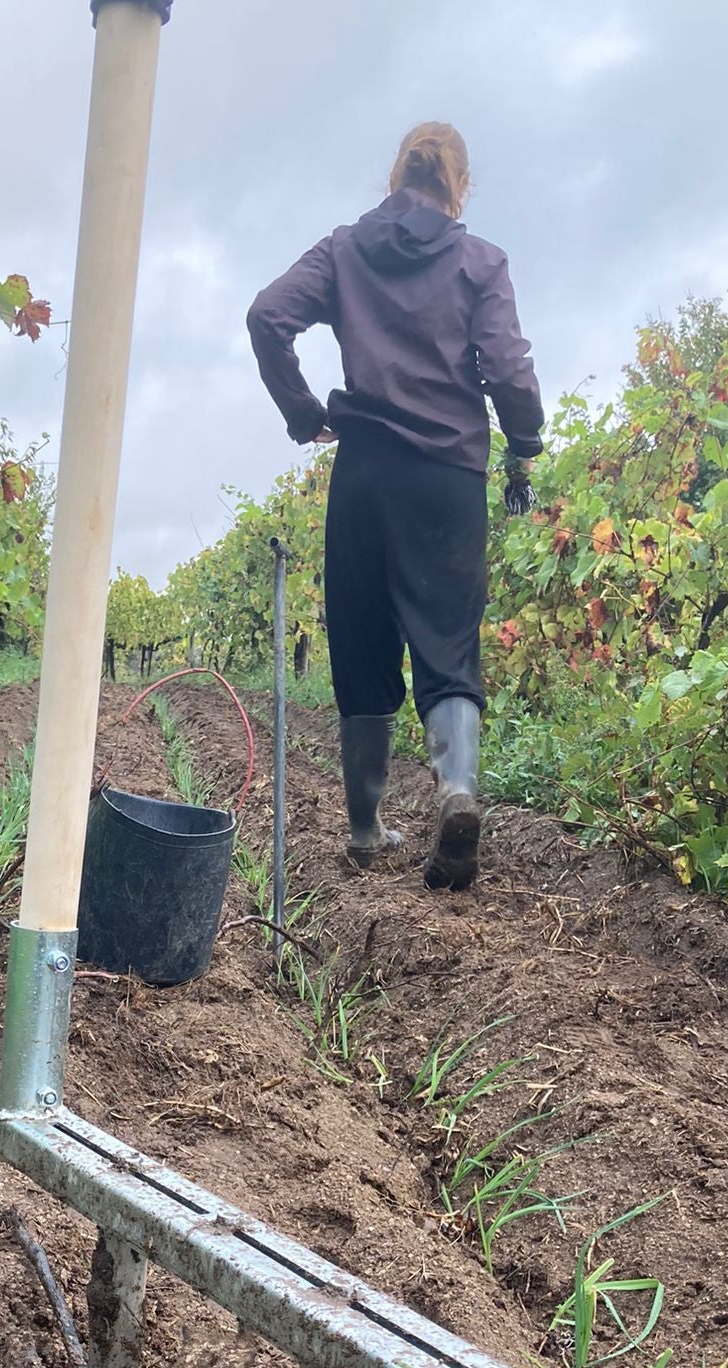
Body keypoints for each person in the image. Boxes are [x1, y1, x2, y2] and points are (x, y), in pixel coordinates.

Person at [246, 121, 543, 890]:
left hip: (365, 469)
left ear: (395, 176)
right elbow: (507, 367)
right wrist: (525, 444)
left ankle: (366, 828)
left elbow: (267, 315)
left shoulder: (345, 249)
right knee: (448, 641)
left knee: (362, 639)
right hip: (446, 477)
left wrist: (304, 412)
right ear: (460, 185)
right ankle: (456, 790)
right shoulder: (480, 261)